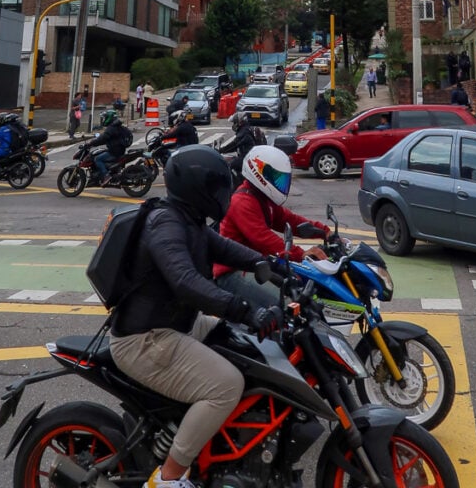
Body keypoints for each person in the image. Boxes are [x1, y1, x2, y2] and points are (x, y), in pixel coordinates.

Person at [109, 146, 278, 488]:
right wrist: (244, 309)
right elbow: (186, 282)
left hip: (174, 326)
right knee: (226, 385)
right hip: (145, 339)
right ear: (196, 188)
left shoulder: (188, 218)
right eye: (216, 188)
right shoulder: (165, 224)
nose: (222, 196)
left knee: (246, 349)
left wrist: (271, 265)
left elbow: (223, 248)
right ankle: (169, 478)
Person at [214, 144, 330, 308]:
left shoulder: (262, 198)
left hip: (257, 266)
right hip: (233, 272)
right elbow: (265, 240)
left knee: (302, 289)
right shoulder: (242, 202)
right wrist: (302, 254)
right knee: (288, 304)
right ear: (260, 173)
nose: (279, 182)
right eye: (276, 177)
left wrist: (324, 231)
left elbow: (289, 219)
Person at [85, 108, 134, 184]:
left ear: (109, 118)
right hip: (119, 150)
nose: (104, 119)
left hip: (114, 152)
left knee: (97, 159)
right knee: (102, 153)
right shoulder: (118, 126)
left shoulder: (111, 128)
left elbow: (103, 139)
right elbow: (105, 137)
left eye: (105, 117)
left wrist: (91, 143)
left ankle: (106, 175)